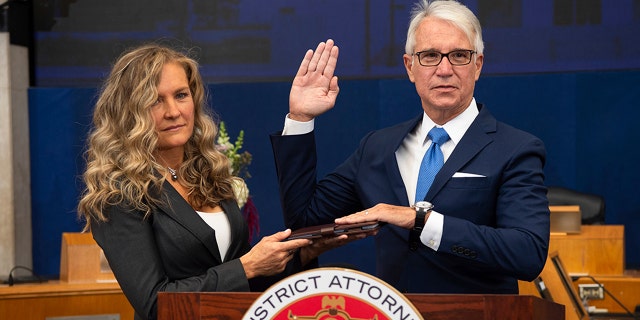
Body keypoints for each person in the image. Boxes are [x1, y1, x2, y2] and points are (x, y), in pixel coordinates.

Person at [271, 0, 550, 294]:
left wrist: (421, 221)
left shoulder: (515, 149)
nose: (444, 69)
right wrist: (300, 119)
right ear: (410, 67)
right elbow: (303, 222)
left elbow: (527, 254)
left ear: (477, 65)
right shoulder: (377, 147)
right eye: (430, 56)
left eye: (459, 55)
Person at [77, 44, 330, 320]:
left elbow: (240, 284)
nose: (173, 111)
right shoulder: (119, 194)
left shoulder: (210, 174)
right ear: (128, 112)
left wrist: (301, 255)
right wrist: (246, 267)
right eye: (155, 100)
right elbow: (154, 304)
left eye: (181, 95)